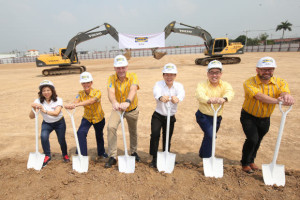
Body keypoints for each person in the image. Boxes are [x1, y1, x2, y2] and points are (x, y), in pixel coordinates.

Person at [240, 56, 294, 173]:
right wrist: (278, 101)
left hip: (265, 118)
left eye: (270, 69)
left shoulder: (280, 82)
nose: (267, 72)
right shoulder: (249, 82)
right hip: (248, 116)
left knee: (258, 140)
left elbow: (284, 90)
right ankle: (245, 163)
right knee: (252, 139)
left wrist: (286, 96)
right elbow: (258, 96)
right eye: (264, 69)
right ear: (257, 70)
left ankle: (251, 161)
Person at [105, 55, 140, 168]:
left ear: (127, 67)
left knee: (133, 130)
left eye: (123, 68)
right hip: (118, 109)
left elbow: (133, 89)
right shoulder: (111, 78)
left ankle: (134, 152)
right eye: (118, 68)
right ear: (115, 68)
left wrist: (128, 101)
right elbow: (111, 92)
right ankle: (112, 156)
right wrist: (114, 102)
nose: (121, 70)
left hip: (131, 108)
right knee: (111, 127)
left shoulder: (133, 76)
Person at [195, 60, 234, 159]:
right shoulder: (202, 84)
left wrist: (224, 98)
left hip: (217, 117)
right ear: (208, 74)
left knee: (209, 136)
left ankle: (203, 153)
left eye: (217, 72)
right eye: (211, 72)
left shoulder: (226, 85)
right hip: (203, 116)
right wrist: (208, 100)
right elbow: (200, 95)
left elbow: (230, 92)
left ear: (221, 74)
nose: (214, 75)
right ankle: (207, 157)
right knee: (212, 136)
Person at [149, 63, 185, 168]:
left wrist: (177, 98)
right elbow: (156, 92)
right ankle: (154, 158)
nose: (169, 77)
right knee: (155, 135)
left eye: (172, 75)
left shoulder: (179, 86)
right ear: (163, 75)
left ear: (175, 76)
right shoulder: (158, 84)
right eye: (166, 75)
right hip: (158, 115)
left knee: (167, 137)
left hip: (170, 117)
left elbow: (181, 94)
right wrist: (160, 97)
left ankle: (166, 155)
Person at [65, 72, 107, 159]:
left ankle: (101, 153)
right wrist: (71, 105)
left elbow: (91, 101)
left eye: (88, 82)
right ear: (81, 84)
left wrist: (77, 105)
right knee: (80, 133)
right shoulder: (80, 93)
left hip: (98, 118)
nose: (86, 85)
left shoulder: (97, 92)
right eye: (84, 83)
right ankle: (82, 154)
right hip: (87, 117)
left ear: (91, 83)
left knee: (99, 135)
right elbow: (76, 101)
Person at [29, 80, 69, 167]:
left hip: (59, 123)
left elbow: (56, 113)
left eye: (48, 90)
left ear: (52, 90)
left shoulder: (58, 100)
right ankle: (47, 155)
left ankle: (65, 154)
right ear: (41, 92)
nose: (46, 92)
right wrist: (33, 108)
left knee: (61, 139)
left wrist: (44, 110)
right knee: (43, 137)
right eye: (43, 91)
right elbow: (32, 116)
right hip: (47, 123)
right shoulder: (38, 100)